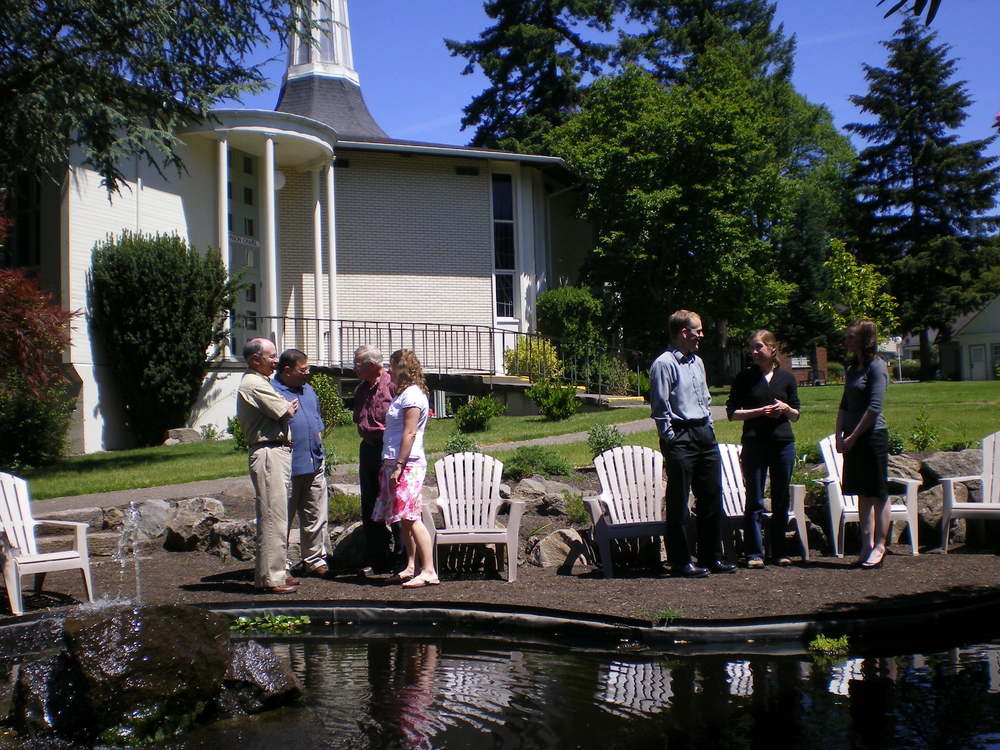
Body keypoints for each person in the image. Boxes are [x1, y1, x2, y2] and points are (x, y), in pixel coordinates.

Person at [649, 310, 736, 577]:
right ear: (684, 333)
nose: (701, 335)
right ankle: (680, 561)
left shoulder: (697, 362)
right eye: (698, 331)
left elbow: (705, 400)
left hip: (704, 434)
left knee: (711, 497)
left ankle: (712, 557)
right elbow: (660, 407)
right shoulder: (664, 364)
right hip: (681, 436)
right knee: (679, 501)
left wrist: (709, 429)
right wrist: (671, 439)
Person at [726, 330, 801, 568]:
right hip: (754, 443)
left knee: (781, 498)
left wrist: (786, 408)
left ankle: (779, 551)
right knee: (754, 498)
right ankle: (754, 553)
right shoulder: (744, 378)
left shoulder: (787, 378)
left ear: (772, 348)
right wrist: (760, 412)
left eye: (759, 347)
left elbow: (796, 414)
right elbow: (732, 413)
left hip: (782, 444)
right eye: (752, 348)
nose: (754, 352)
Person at [237, 337, 300, 594]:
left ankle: (278, 571)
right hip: (268, 453)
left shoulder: (262, 382)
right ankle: (271, 578)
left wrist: (286, 407)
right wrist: (286, 407)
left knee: (279, 514)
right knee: (273, 516)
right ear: (255, 360)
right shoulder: (254, 384)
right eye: (271, 356)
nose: (276, 360)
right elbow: (285, 411)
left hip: (276, 451)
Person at [372, 349, 438, 588]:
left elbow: (410, 433)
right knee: (403, 518)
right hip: (395, 461)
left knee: (411, 516)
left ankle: (429, 570)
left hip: (407, 464)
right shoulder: (404, 394)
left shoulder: (412, 395)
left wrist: (399, 466)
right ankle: (411, 566)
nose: (387, 371)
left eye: (391, 366)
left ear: (401, 369)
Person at [837, 319, 891, 569]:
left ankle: (880, 545)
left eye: (851, 337)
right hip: (852, 437)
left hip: (872, 437)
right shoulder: (852, 369)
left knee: (877, 491)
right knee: (862, 492)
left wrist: (854, 436)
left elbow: (874, 407)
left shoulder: (877, 367)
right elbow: (845, 403)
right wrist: (839, 434)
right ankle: (866, 545)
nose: (847, 340)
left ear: (865, 340)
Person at [272, 348, 329, 578]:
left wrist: (319, 446)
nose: (308, 372)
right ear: (287, 370)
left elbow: (316, 422)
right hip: (288, 466)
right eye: (303, 369)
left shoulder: (308, 390)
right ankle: (281, 565)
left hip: (314, 462)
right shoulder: (273, 392)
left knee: (315, 514)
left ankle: (314, 560)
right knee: (282, 518)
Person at [353, 344, 403, 574]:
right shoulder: (361, 389)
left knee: (395, 501)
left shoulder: (393, 385)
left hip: (390, 449)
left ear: (372, 365)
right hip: (369, 449)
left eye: (357, 364)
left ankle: (402, 557)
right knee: (370, 503)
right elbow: (358, 418)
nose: (354, 368)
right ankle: (378, 558)